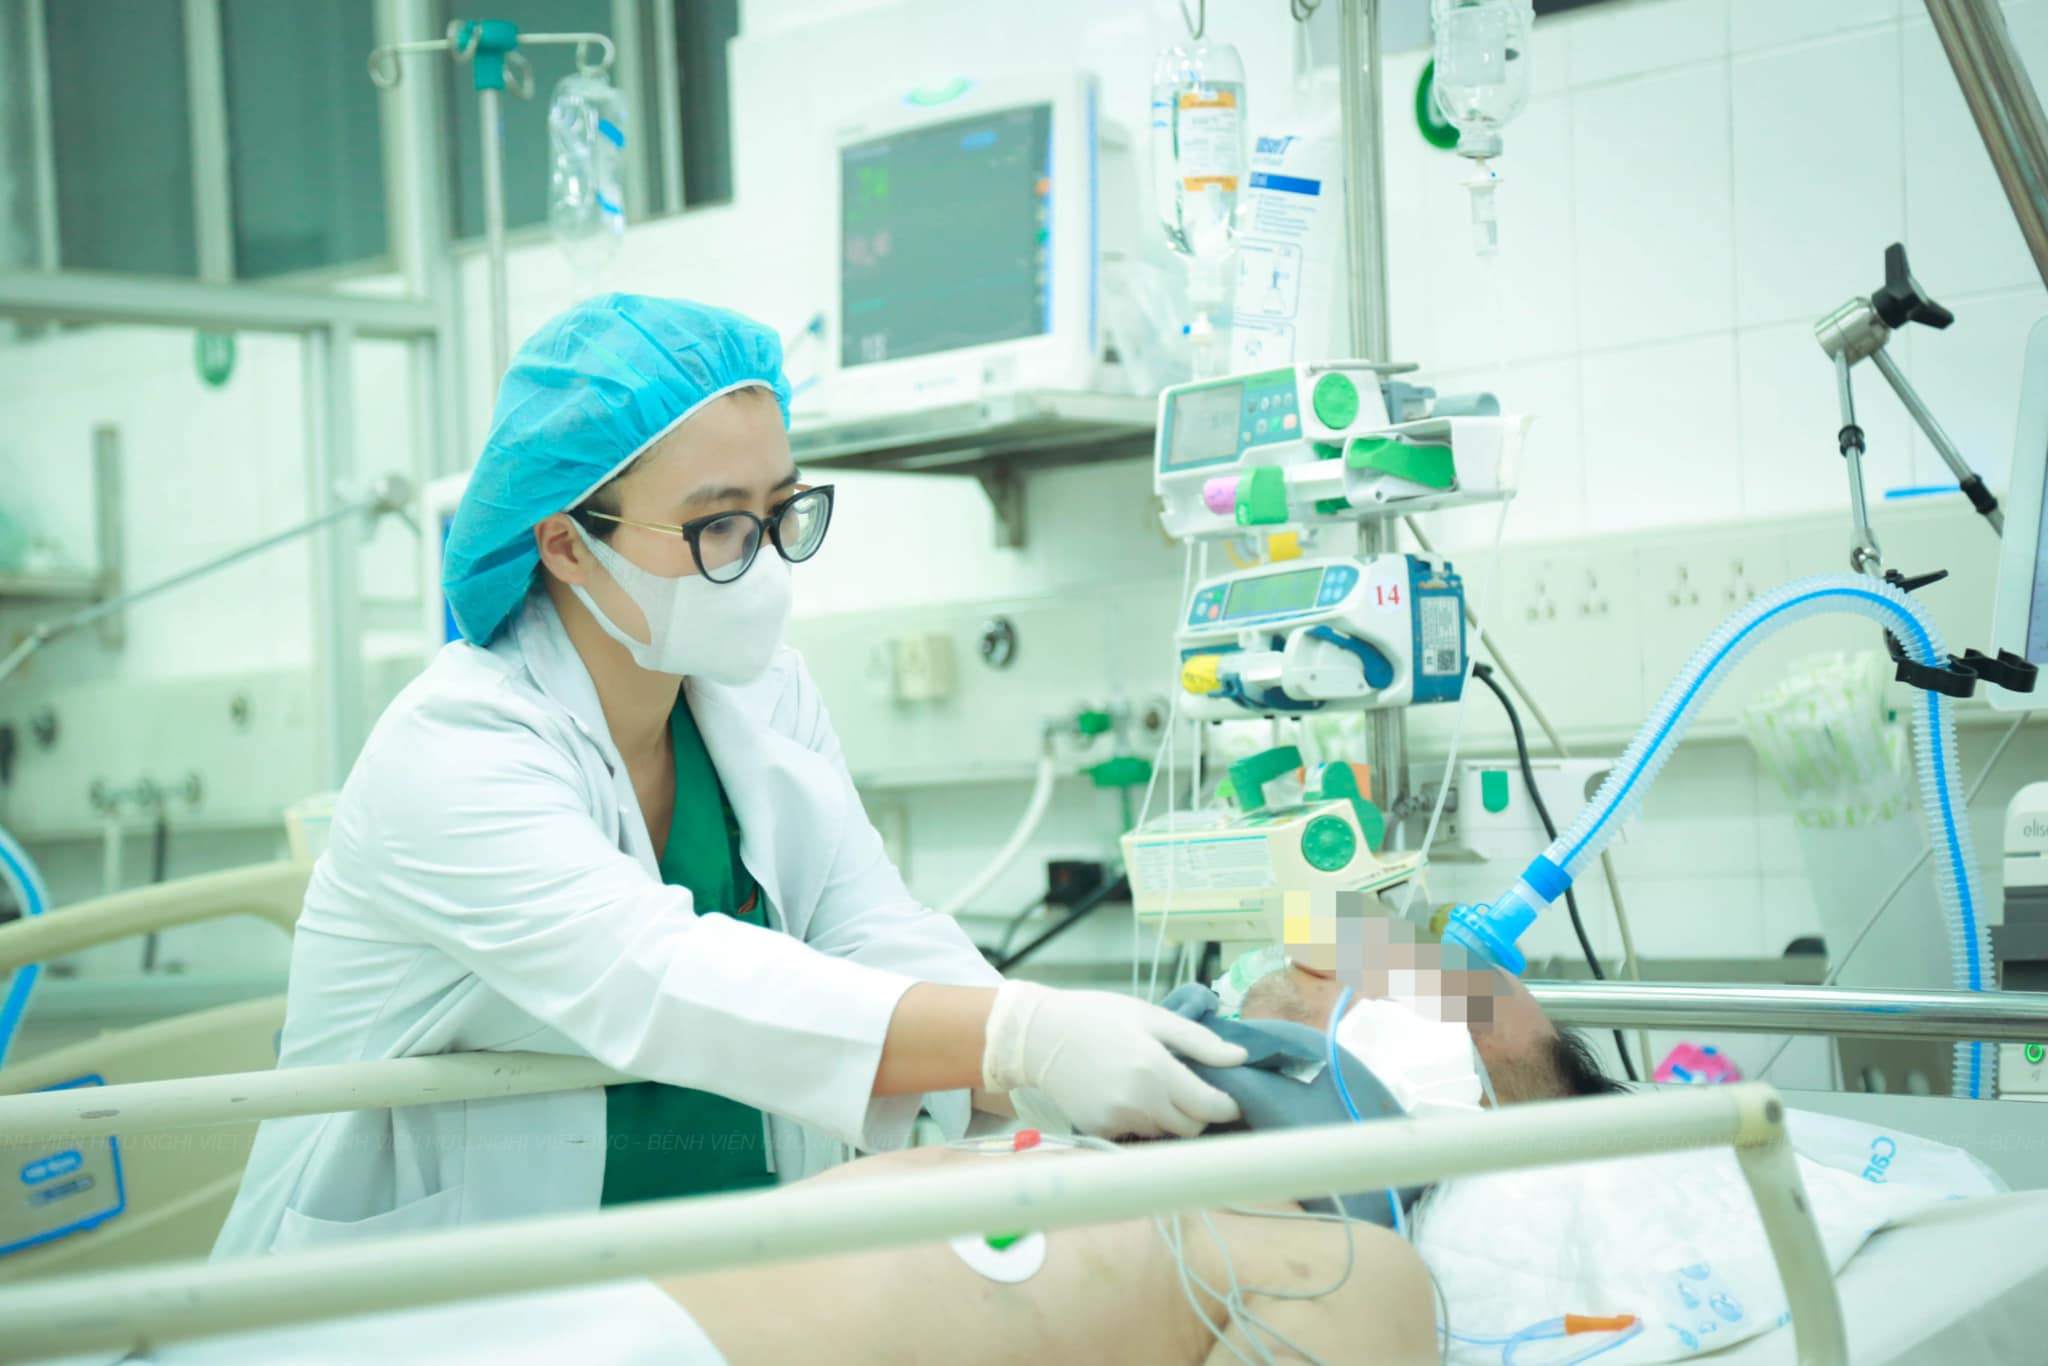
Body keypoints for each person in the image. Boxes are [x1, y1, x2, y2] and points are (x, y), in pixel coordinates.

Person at [212, 295, 1245, 1259]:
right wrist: (1014, 1039)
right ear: (567, 545)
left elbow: (872, 929)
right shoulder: (452, 752)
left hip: (720, 1276)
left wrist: (1058, 1059)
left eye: (781, 511)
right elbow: (658, 978)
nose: (762, 562)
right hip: (417, 1310)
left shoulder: (758, 697)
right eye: (717, 526)